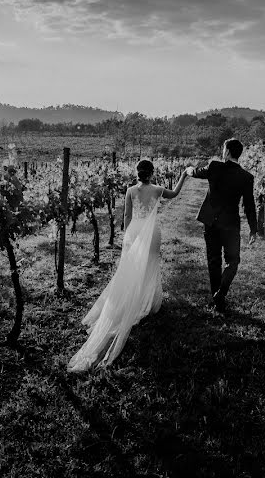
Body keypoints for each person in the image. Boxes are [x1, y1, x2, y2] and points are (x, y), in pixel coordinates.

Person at [68, 159, 187, 372]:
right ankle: (145, 301)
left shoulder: (131, 190)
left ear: (137, 173)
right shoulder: (159, 189)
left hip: (134, 232)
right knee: (149, 266)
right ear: (151, 173)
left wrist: (126, 237)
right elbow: (176, 193)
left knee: (129, 269)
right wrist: (184, 175)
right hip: (151, 233)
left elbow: (126, 217)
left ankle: (129, 301)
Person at [186, 139, 257, 313]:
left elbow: (195, 172)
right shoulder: (246, 177)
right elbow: (249, 205)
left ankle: (217, 298)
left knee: (214, 260)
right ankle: (221, 293)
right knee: (233, 261)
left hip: (211, 222)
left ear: (226, 152)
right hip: (231, 224)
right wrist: (253, 229)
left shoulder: (214, 167)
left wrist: (188, 170)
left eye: (223, 149)